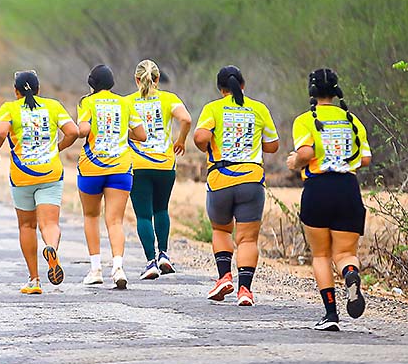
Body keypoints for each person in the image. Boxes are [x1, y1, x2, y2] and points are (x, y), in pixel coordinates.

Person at [287, 69, 371, 331]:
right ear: (336, 91)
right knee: (345, 254)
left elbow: (305, 153)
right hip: (348, 188)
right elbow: (365, 158)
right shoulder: (352, 120)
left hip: (318, 189)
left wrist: (294, 162)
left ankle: (331, 314)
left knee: (321, 254)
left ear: (312, 92)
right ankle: (350, 275)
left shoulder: (305, 120)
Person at [193, 66, 280, 306]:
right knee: (247, 240)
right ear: (243, 85)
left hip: (220, 178)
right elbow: (273, 146)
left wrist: (207, 145)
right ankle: (245, 290)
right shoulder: (259, 108)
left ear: (220, 88)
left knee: (221, 230)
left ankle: (224, 277)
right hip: (251, 180)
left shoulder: (213, 108)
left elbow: (200, 137)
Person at [0, 70, 79, 294]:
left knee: (27, 226)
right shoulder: (53, 106)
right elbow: (73, 132)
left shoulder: (10, 108)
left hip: (22, 176)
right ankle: (51, 247)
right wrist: (57, 148)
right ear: (38, 89)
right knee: (50, 224)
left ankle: (34, 280)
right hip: (50, 173)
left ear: (16, 91)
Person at [77, 64, 147, 289]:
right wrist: (121, 132)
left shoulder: (87, 102)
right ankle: (118, 267)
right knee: (115, 220)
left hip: (92, 167)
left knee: (91, 216)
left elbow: (83, 130)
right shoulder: (125, 103)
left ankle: (95, 269)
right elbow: (142, 135)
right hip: (120, 168)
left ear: (92, 84)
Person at [125, 60, 193, 280]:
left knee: (143, 215)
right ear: (158, 78)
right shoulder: (169, 99)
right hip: (165, 164)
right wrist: (181, 140)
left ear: (137, 79)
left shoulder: (127, 102)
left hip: (138, 165)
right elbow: (186, 119)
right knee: (161, 209)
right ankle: (164, 254)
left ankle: (151, 261)